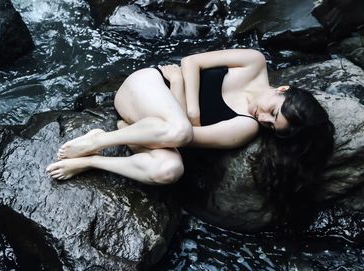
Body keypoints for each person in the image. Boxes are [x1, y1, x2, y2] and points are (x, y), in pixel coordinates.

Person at [46, 49, 334, 196]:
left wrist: (180, 86)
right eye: (273, 112)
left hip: (157, 125)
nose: (263, 118)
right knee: (179, 129)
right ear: (282, 90)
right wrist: (188, 106)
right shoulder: (254, 62)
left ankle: (92, 161)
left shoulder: (245, 127)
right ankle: (100, 141)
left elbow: (188, 136)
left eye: (271, 126)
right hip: (145, 87)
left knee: (170, 169)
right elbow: (191, 61)